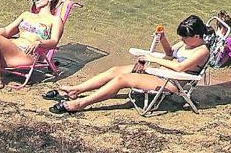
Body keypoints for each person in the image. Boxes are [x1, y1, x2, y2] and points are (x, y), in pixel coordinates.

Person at [46, 15, 210, 115]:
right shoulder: (186, 44)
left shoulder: (202, 51)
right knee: (114, 70)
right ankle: (77, 90)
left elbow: (180, 68)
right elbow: (169, 54)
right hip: (159, 73)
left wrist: (149, 60)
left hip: (170, 82)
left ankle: (81, 104)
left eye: (185, 38)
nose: (182, 41)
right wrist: (163, 38)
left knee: (122, 79)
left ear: (196, 36)